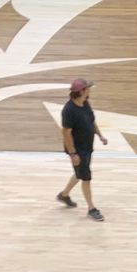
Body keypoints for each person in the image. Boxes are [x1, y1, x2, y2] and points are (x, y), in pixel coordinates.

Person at [55, 77, 106, 219]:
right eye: (88, 88)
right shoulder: (69, 110)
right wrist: (73, 154)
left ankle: (64, 195)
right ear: (82, 91)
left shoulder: (85, 102)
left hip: (87, 146)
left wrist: (100, 135)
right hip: (78, 150)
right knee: (86, 177)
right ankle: (91, 208)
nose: (89, 90)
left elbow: (91, 121)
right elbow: (66, 133)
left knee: (80, 173)